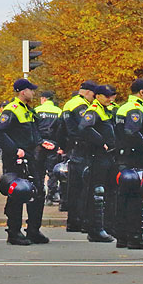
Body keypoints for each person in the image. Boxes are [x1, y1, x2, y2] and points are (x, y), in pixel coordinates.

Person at [0, 77, 50, 246]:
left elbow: (33, 133)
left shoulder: (28, 110)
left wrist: (42, 142)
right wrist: (14, 149)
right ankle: (14, 232)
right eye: (31, 90)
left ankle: (33, 230)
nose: (33, 93)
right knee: (17, 193)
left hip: (31, 158)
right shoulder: (12, 110)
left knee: (38, 192)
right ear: (23, 91)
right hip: (16, 160)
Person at [114, 77, 143, 250]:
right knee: (136, 199)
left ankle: (122, 236)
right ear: (141, 92)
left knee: (123, 198)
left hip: (123, 159)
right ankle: (135, 236)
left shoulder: (123, 107)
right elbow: (133, 132)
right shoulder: (136, 109)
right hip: (135, 159)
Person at [79, 84, 118, 243]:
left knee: (109, 190)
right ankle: (96, 229)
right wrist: (101, 142)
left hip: (108, 157)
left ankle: (106, 225)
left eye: (111, 96)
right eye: (106, 96)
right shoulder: (94, 110)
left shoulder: (104, 109)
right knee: (98, 192)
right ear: (98, 96)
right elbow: (84, 128)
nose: (109, 98)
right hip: (98, 156)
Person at [59, 81, 97, 232]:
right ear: (87, 92)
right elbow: (86, 128)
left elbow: (60, 128)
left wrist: (63, 147)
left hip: (72, 150)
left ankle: (72, 222)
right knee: (84, 188)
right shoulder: (82, 107)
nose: (94, 98)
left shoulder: (68, 104)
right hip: (83, 149)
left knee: (73, 188)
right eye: (94, 94)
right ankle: (82, 221)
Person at [33, 91, 62, 203]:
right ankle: (51, 194)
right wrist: (58, 144)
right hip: (53, 144)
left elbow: (33, 128)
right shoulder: (59, 111)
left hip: (39, 144)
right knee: (52, 170)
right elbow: (61, 130)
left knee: (38, 170)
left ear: (43, 99)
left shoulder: (36, 110)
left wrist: (39, 141)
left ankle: (39, 193)